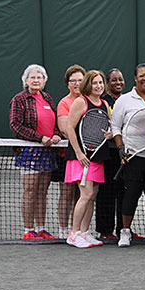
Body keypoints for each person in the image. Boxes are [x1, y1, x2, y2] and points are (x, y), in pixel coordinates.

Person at [111, 64, 145, 248]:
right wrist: (120, 148)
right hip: (131, 157)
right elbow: (115, 127)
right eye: (142, 75)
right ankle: (125, 232)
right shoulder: (124, 100)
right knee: (130, 196)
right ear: (135, 78)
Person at [9, 64, 61, 240]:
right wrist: (40, 138)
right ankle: (28, 230)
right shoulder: (19, 99)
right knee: (30, 190)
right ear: (26, 80)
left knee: (42, 191)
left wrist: (55, 135)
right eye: (33, 77)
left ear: (44, 80)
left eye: (39, 77)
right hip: (29, 151)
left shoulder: (47, 98)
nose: (36, 80)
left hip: (48, 151)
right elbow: (16, 126)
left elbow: (55, 124)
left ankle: (40, 228)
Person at [64, 70, 112, 248]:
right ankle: (74, 233)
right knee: (86, 194)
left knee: (92, 195)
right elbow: (70, 128)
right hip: (81, 157)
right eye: (95, 83)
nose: (98, 86)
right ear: (88, 85)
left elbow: (108, 125)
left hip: (97, 156)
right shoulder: (80, 102)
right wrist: (78, 153)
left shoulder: (105, 104)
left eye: (101, 82)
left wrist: (110, 134)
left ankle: (84, 232)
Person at [54, 64, 85, 239]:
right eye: (73, 81)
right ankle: (63, 228)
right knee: (66, 193)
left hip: (87, 155)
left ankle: (79, 229)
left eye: (80, 80)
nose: (76, 84)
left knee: (82, 194)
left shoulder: (89, 100)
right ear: (67, 84)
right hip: (67, 156)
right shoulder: (64, 103)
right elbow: (66, 129)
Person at [95, 68, 125, 239]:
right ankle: (105, 231)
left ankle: (124, 229)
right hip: (106, 155)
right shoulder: (101, 101)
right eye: (114, 80)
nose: (118, 83)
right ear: (107, 83)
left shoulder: (128, 100)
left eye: (120, 79)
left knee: (124, 193)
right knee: (105, 193)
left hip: (124, 155)